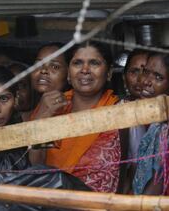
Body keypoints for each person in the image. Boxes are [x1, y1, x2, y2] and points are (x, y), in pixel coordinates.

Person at [42, 41, 121, 193]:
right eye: (77, 63)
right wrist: (43, 119)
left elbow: (135, 171)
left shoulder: (121, 111)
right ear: (68, 73)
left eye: (94, 63)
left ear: (109, 72)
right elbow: (33, 166)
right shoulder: (50, 107)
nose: (85, 70)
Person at [131, 51, 169, 195]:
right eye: (146, 72)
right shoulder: (130, 113)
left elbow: (154, 189)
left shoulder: (167, 129)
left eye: (158, 77)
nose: (146, 81)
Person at [28, 42, 69, 164]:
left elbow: (37, 164)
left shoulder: (69, 109)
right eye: (39, 64)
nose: (44, 70)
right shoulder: (38, 107)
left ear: (69, 74)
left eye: (55, 67)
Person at [119, 49, 150, 193]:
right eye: (134, 72)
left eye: (147, 72)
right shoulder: (118, 110)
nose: (141, 80)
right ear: (124, 77)